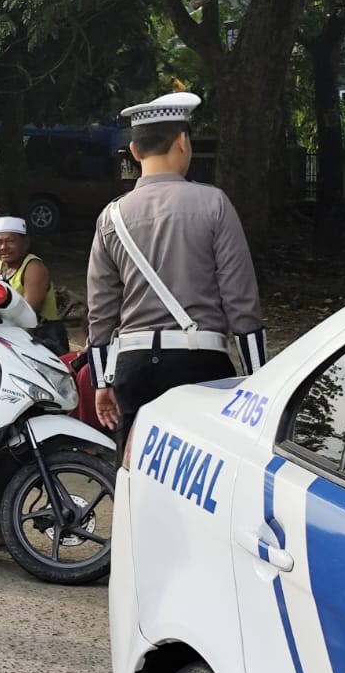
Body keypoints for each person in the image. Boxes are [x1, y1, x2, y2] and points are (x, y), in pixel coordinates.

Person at [86, 91, 268, 455]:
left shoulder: (110, 217)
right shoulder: (215, 204)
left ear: (135, 151)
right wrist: (258, 378)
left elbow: (100, 310)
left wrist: (101, 381)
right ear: (183, 142)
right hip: (200, 365)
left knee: (136, 467)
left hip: (133, 367)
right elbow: (241, 302)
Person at [0, 216, 68, 355]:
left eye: (10, 241)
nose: (3, 247)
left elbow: (28, 316)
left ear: (25, 244)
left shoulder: (33, 268)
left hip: (43, 338)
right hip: (12, 332)